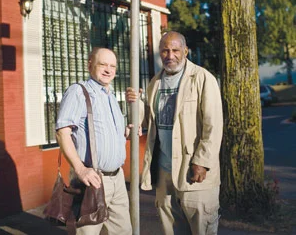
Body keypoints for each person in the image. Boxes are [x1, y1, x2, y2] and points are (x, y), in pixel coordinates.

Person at [126, 31, 223, 235]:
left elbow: (213, 126)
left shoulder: (203, 79)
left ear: (185, 51)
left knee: (201, 229)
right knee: (171, 230)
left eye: (175, 50)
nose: (170, 55)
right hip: (164, 173)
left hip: (194, 172)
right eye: (165, 50)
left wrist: (202, 161)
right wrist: (135, 103)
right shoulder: (155, 83)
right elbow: (145, 122)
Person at [56, 47, 132, 235]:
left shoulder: (111, 96)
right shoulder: (78, 92)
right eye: (103, 64)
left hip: (118, 179)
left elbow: (108, 135)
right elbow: (62, 133)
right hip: (93, 181)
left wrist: (127, 131)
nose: (108, 70)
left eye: (112, 66)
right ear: (90, 64)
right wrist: (80, 169)